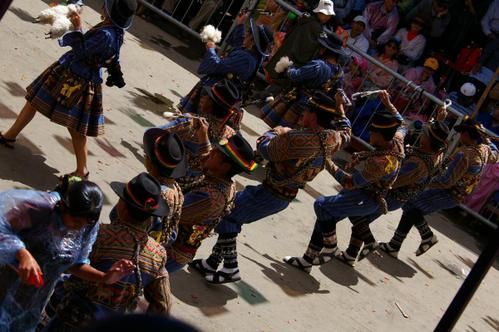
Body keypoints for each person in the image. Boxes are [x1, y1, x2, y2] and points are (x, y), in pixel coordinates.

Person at [190, 92, 352, 283]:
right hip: (281, 194)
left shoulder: (296, 138)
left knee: (227, 216)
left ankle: (231, 268)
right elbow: (346, 131)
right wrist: (340, 108)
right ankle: (212, 262)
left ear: (314, 116)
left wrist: (277, 131)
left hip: (271, 194)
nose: (302, 114)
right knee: (232, 218)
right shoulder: (333, 138)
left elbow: (266, 149)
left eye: (306, 111)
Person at [0, 0, 137, 179]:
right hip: (71, 71)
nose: (103, 6)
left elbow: (82, 51)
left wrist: (77, 28)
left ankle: (82, 170)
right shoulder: (113, 31)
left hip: (77, 80)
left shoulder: (107, 34)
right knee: (34, 99)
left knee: (75, 128)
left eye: (106, 5)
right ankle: (10, 134)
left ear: (110, 13)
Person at [283, 90, 406, 272]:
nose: (370, 134)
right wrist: (388, 103)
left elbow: (349, 182)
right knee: (325, 218)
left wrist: (327, 160)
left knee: (322, 206)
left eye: (372, 131)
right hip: (360, 193)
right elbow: (402, 123)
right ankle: (308, 260)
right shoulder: (396, 140)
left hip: (364, 198)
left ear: (381, 135)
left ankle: (331, 246)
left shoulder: (382, 162)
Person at [0, 179, 133, 331]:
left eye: (85, 223)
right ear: (63, 206)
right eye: (76, 221)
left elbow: (74, 265)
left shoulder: (88, 226)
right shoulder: (38, 208)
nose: (79, 227)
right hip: (4, 287)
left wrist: (104, 277)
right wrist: (22, 253)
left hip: (31, 304)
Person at [46, 173, 174, 330]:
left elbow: (67, 261)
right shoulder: (158, 254)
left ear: (123, 208)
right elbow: (163, 306)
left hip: (72, 318)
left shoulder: (100, 234)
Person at [380, 117, 499, 258]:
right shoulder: (484, 150)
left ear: (468, 134)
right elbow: (495, 153)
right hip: (458, 195)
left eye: (463, 133)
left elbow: (447, 180)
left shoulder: (465, 154)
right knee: (413, 210)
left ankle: (426, 236)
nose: (460, 136)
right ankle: (395, 245)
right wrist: (487, 139)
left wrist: (425, 182)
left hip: (447, 192)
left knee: (410, 204)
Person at [343, 118, 450, 265]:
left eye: (425, 134)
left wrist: (367, 179)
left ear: (429, 140)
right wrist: (440, 117)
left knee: (359, 218)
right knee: (361, 219)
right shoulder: (437, 154)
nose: (421, 136)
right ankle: (351, 254)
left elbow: (394, 180)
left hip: (392, 197)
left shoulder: (417, 164)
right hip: (396, 196)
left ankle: (365, 245)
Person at [166, 134, 257, 273]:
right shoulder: (227, 183)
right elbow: (205, 157)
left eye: (215, 154)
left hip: (170, 252)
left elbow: (170, 214)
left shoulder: (208, 197)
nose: (210, 152)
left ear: (225, 167)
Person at [179, 15, 272, 113]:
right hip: (220, 92)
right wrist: (240, 24)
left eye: (248, 33)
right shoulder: (254, 55)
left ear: (253, 41)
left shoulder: (245, 59)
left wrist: (211, 49)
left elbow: (217, 65)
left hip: (217, 95)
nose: (245, 34)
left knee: (194, 123)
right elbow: (239, 44)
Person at [161, 81, 241, 191]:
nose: (202, 97)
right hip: (193, 186)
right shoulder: (230, 135)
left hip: (167, 180)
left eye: (206, 96)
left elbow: (155, 134)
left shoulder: (191, 123)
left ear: (210, 104)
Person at [261, 31, 346, 128]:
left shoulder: (318, 65)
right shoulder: (340, 73)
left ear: (325, 49)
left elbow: (296, 76)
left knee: (276, 129)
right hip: (314, 110)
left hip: (298, 102)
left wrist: (288, 67)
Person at [265, 0, 336, 88]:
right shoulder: (316, 28)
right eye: (324, 13)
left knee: (276, 82)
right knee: (279, 85)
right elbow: (320, 44)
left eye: (329, 15)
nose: (327, 17)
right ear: (318, 12)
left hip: (287, 55)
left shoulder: (306, 19)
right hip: (293, 60)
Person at [142, 129, 186, 247]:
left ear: (151, 163)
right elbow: (172, 234)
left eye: (146, 155)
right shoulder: (176, 190)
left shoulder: (152, 192)